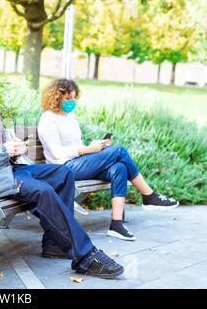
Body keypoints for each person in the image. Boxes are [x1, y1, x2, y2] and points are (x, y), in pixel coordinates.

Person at [0, 53, 124, 279]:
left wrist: (13, 146)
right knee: (40, 190)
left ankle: (54, 244)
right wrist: (5, 150)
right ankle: (85, 256)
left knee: (62, 173)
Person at [38, 78, 179, 241]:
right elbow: (56, 153)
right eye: (68, 98)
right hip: (61, 168)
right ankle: (149, 196)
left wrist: (94, 147)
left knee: (119, 167)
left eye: (74, 99)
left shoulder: (69, 117)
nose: (71, 102)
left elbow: (77, 147)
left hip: (76, 164)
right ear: (56, 97)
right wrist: (88, 150)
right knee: (119, 150)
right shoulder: (48, 119)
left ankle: (116, 225)